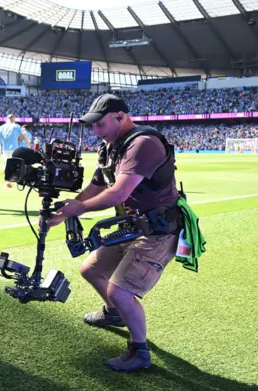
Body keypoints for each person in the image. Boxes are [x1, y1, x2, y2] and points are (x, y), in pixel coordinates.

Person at [47, 94, 181, 373]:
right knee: (90, 270)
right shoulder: (110, 147)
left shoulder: (143, 144)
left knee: (120, 291)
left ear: (121, 117)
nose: (95, 131)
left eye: (100, 124)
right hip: (132, 226)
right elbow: (96, 187)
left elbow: (118, 192)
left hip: (156, 231)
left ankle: (139, 352)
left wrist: (79, 208)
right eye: (92, 125)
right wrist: (64, 214)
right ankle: (115, 315)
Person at [0, 114, 29, 187]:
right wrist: (28, 142)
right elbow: (22, 135)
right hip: (14, 148)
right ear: (13, 118)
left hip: (5, 148)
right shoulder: (16, 126)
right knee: (16, 164)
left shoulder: (2, 127)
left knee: (7, 164)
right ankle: (17, 179)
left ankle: (8, 181)